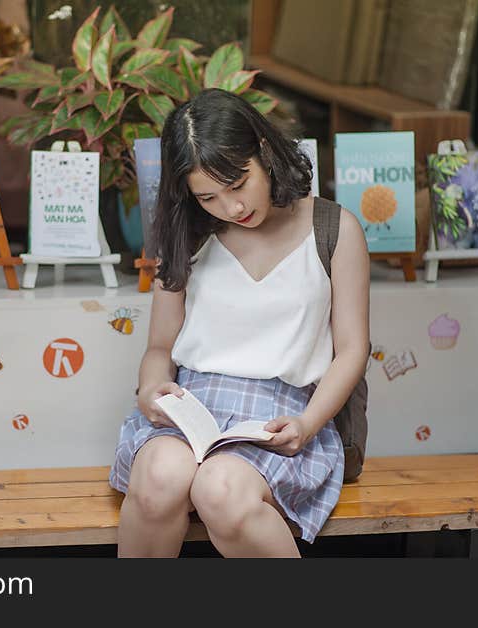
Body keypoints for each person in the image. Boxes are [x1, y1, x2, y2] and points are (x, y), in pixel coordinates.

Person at [108, 88, 370, 558]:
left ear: (264, 152)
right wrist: (151, 391)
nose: (231, 208)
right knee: (157, 480)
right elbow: (159, 348)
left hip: (282, 419)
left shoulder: (334, 228)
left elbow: (352, 348)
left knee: (221, 490)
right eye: (208, 195)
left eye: (238, 183)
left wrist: (308, 424)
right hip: (192, 411)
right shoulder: (186, 233)